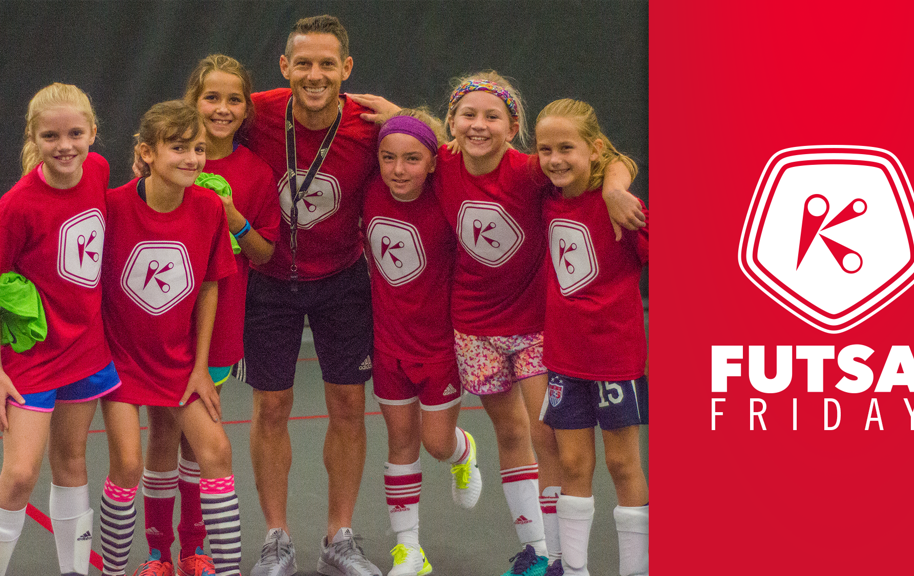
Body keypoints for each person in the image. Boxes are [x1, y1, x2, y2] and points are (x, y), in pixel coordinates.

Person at [353, 71, 641, 576]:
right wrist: (394, 112)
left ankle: (559, 557)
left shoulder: (531, 170)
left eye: (492, 116)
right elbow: (415, 139)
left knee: (546, 436)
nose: (479, 125)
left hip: (534, 326)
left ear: (513, 128)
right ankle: (536, 549)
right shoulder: (443, 163)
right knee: (510, 432)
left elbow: (611, 157)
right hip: (473, 329)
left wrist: (617, 185)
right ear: (451, 123)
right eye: (468, 115)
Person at [242, 14, 381, 576]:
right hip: (269, 280)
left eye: (327, 64)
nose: (315, 74)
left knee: (348, 405)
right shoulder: (255, 113)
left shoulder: (371, 124)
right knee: (271, 407)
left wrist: (404, 116)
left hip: (342, 279)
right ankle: (276, 538)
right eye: (303, 63)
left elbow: (445, 148)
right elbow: (188, 126)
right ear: (285, 66)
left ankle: (338, 537)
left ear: (346, 68)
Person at [138, 54, 279, 576]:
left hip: (218, 327)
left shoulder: (256, 172)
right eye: (211, 98)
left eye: (234, 99)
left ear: (246, 108)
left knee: (196, 446)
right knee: (163, 433)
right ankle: (158, 552)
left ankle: (194, 548)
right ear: (193, 101)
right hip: (161, 328)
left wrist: (233, 218)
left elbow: (265, 253)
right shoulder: (167, 162)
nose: (222, 109)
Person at [98, 100, 239, 576]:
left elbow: (209, 285)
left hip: (179, 362)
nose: (192, 158)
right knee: (127, 464)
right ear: (147, 152)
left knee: (216, 452)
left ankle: (221, 565)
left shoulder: (208, 208)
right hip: (120, 361)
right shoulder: (113, 207)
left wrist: (199, 367)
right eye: (178, 148)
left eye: (198, 148)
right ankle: (145, 559)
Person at [0, 83, 120, 576]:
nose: (65, 145)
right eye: (51, 136)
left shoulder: (99, 170)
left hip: (85, 349)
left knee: (71, 461)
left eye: (75, 133)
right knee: (19, 474)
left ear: (92, 132)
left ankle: (74, 570)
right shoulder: (17, 205)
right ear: (33, 137)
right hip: (30, 360)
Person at [363, 108, 483, 576]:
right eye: (388, 157)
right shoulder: (369, 193)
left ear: (434, 162)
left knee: (435, 443)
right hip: (388, 343)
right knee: (400, 441)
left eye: (412, 159)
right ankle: (409, 549)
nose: (398, 169)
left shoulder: (447, 199)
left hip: (440, 348)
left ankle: (463, 451)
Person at [534, 99, 649, 576]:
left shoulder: (622, 209)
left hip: (615, 359)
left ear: (595, 149)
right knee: (573, 465)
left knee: (622, 464)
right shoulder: (546, 198)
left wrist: (617, 188)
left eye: (567, 148)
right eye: (545, 149)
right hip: (564, 357)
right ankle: (575, 570)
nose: (555, 159)